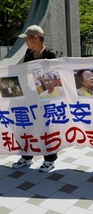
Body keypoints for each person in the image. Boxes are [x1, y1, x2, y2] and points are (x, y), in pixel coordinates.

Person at [12, 25, 58, 172]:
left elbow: (54, 77)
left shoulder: (50, 54)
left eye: (27, 39)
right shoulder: (28, 52)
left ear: (36, 38)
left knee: (46, 129)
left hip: (45, 99)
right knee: (26, 125)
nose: (26, 42)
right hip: (29, 98)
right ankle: (26, 156)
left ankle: (49, 159)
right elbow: (23, 72)